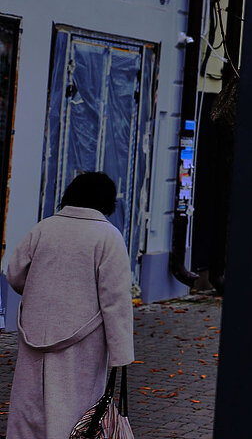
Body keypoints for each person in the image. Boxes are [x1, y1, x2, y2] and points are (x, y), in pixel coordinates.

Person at [6, 172, 135, 439]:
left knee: (30, 407)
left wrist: (37, 296)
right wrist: (121, 355)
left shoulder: (44, 228)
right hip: (83, 342)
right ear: (107, 201)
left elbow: (15, 273)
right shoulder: (108, 237)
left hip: (35, 331)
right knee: (74, 410)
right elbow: (115, 300)